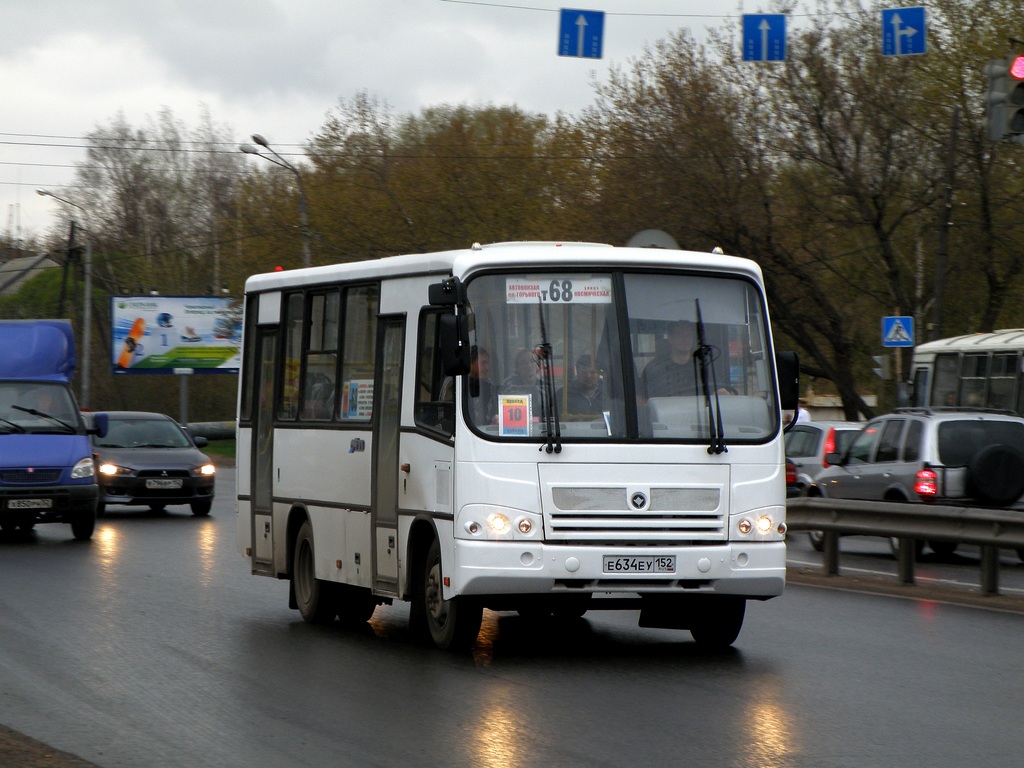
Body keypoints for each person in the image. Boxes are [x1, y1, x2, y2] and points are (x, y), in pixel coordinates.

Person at [641, 320, 697, 398]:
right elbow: (641, 400)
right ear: (670, 338)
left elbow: (717, 393)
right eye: (679, 334)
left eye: (688, 335)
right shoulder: (653, 369)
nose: (685, 339)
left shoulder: (703, 368)